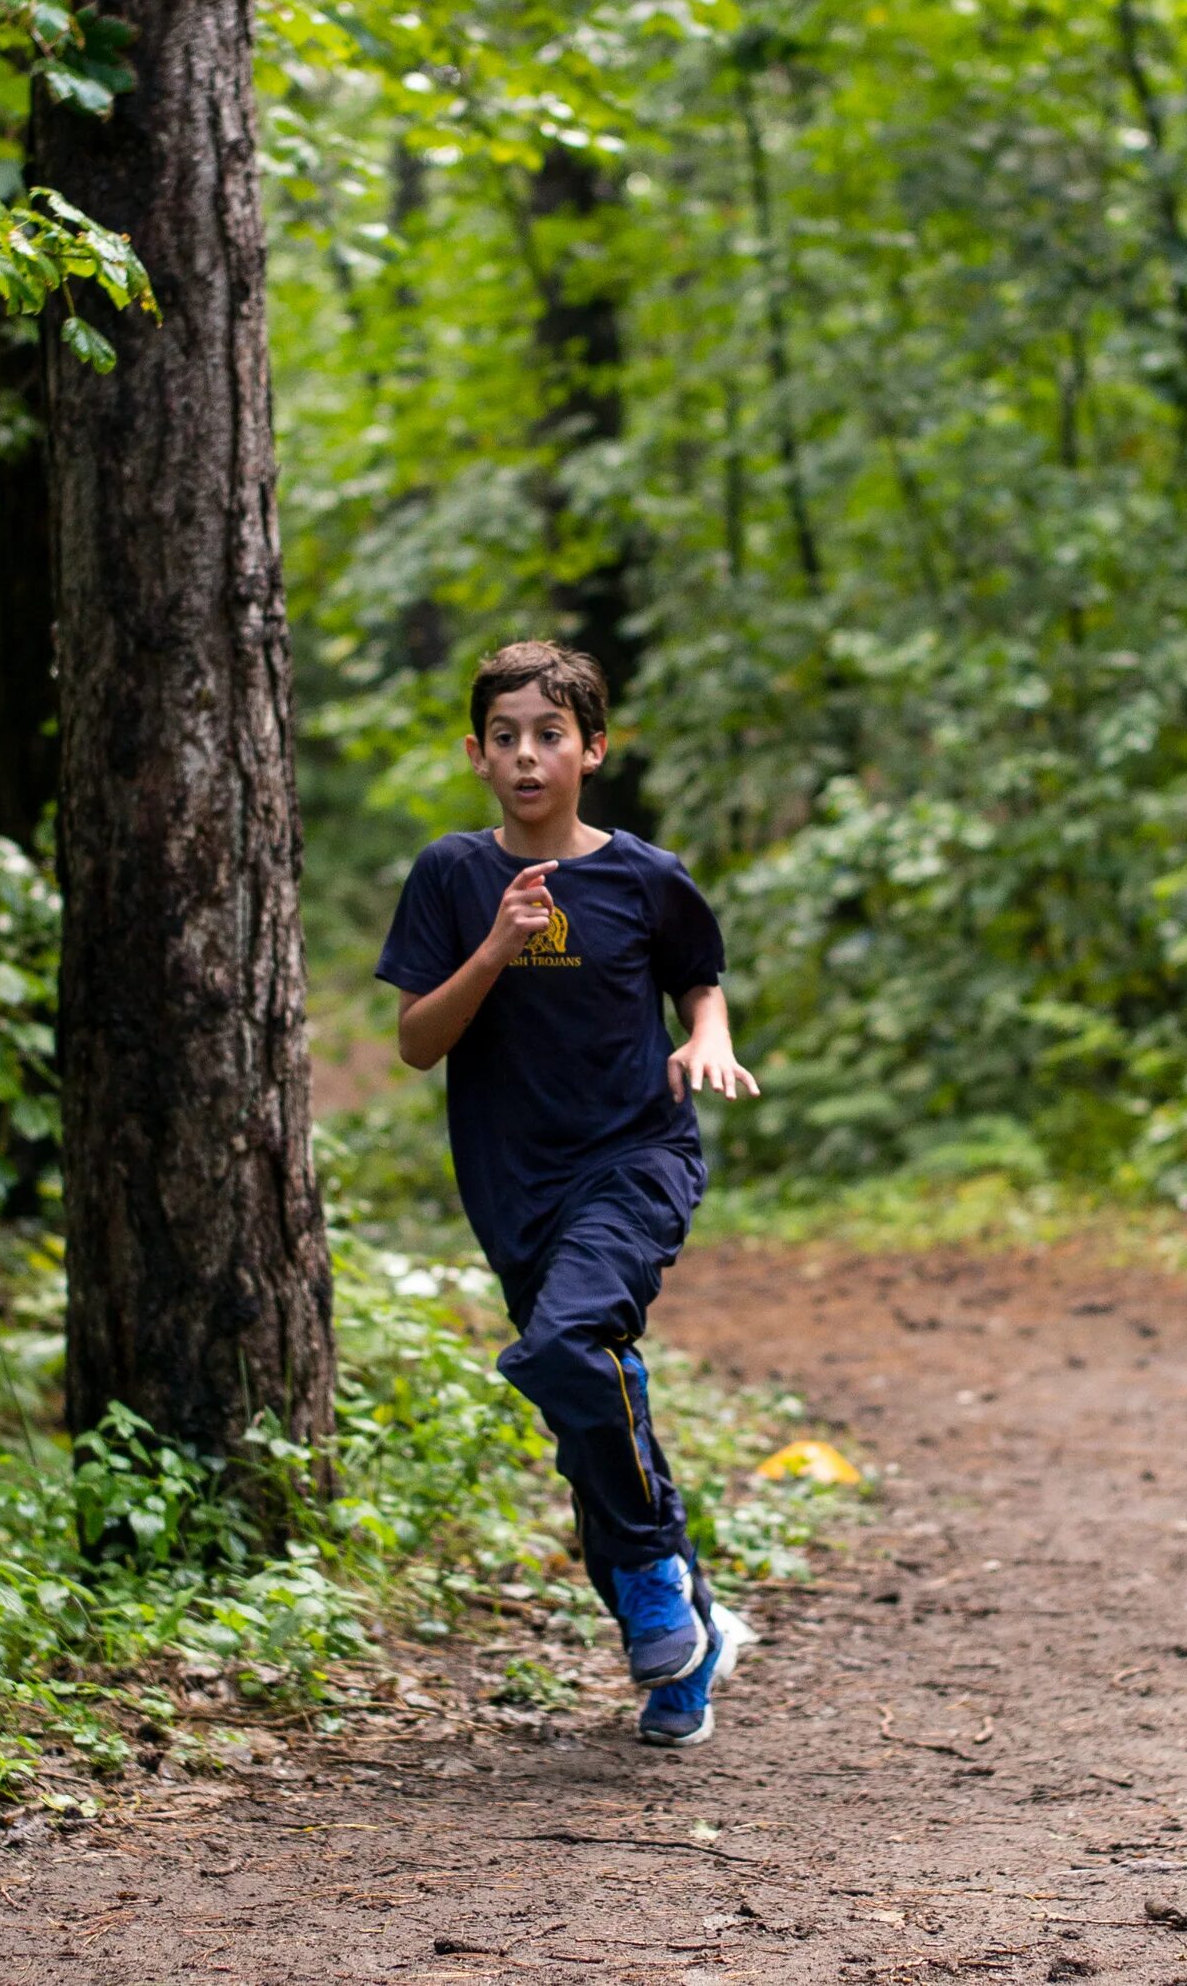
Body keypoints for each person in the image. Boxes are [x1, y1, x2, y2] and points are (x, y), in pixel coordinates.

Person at [374, 640, 764, 1747]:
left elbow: (701, 978)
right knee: (588, 1400)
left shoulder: (644, 874)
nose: (528, 755)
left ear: (592, 748)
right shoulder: (452, 877)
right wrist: (496, 946)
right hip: (515, 1187)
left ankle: (650, 1577)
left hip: (636, 1158)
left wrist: (707, 1040)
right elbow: (414, 1043)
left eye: (550, 734)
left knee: (563, 1355)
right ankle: (684, 1639)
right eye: (505, 737)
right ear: (476, 755)